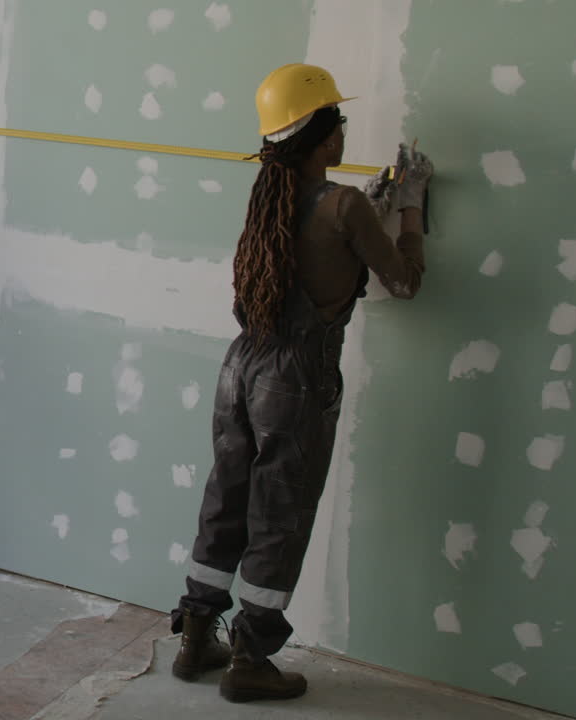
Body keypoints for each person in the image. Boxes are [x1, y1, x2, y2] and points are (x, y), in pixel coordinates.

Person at [169, 63, 433, 702]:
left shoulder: (272, 195)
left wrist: (369, 209)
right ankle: (251, 659)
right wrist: (410, 207)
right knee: (280, 517)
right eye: (338, 121)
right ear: (328, 139)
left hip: (241, 365)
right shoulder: (343, 204)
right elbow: (402, 281)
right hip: (296, 377)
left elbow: (317, 246)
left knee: (227, 499)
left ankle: (197, 635)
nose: (342, 129)